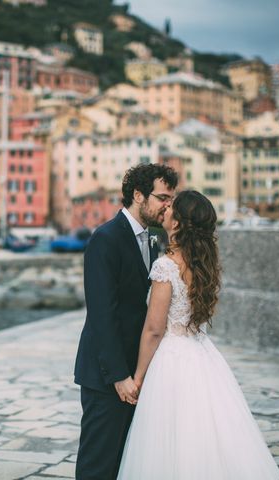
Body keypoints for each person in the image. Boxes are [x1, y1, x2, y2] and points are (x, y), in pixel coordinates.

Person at [117, 190, 279, 479]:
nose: (165, 209)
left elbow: (155, 329)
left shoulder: (166, 266)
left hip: (171, 360)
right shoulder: (203, 264)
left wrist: (139, 376)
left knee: (170, 437)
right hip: (202, 354)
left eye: (171, 208)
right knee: (206, 433)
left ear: (179, 223)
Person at [74, 164, 178, 480]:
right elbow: (101, 314)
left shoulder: (153, 240)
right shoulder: (105, 238)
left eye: (170, 199)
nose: (167, 206)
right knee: (98, 465)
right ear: (137, 194)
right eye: (162, 198)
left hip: (135, 371)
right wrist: (119, 375)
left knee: (123, 463)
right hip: (107, 375)